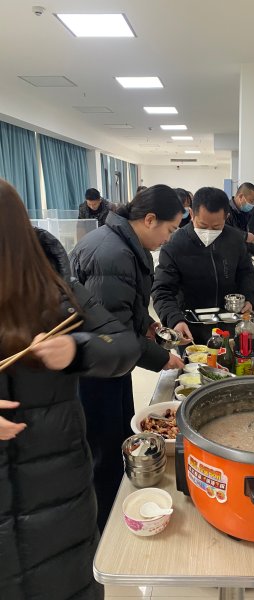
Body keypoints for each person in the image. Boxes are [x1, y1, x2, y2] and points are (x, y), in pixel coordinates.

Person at [0, 178, 141, 599]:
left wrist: (77, 349)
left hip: (56, 481)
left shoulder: (56, 289)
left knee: (65, 579)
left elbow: (123, 346)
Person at [70, 184, 185, 530]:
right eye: (169, 229)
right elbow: (110, 333)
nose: (169, 238)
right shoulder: (113, 254)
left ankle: (118, 506)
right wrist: (161, 358)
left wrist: (147, 323)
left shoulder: (124, 244)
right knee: (104, 450)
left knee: (122, 437)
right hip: (96, 368)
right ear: (150, 219)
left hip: (111, 365)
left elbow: (121, 308)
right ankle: (105, 527)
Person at [152, 187, 254, 345]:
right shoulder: (175, 244)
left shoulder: (235, 239)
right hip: (190, 327)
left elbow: (246, 273)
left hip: (229, 325)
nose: (208, 231)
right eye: (202, 225)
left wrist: (249, 298)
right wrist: (175, 320)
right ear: (191, 214)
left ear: (226, 217)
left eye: (216, 227)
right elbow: (162, 290)